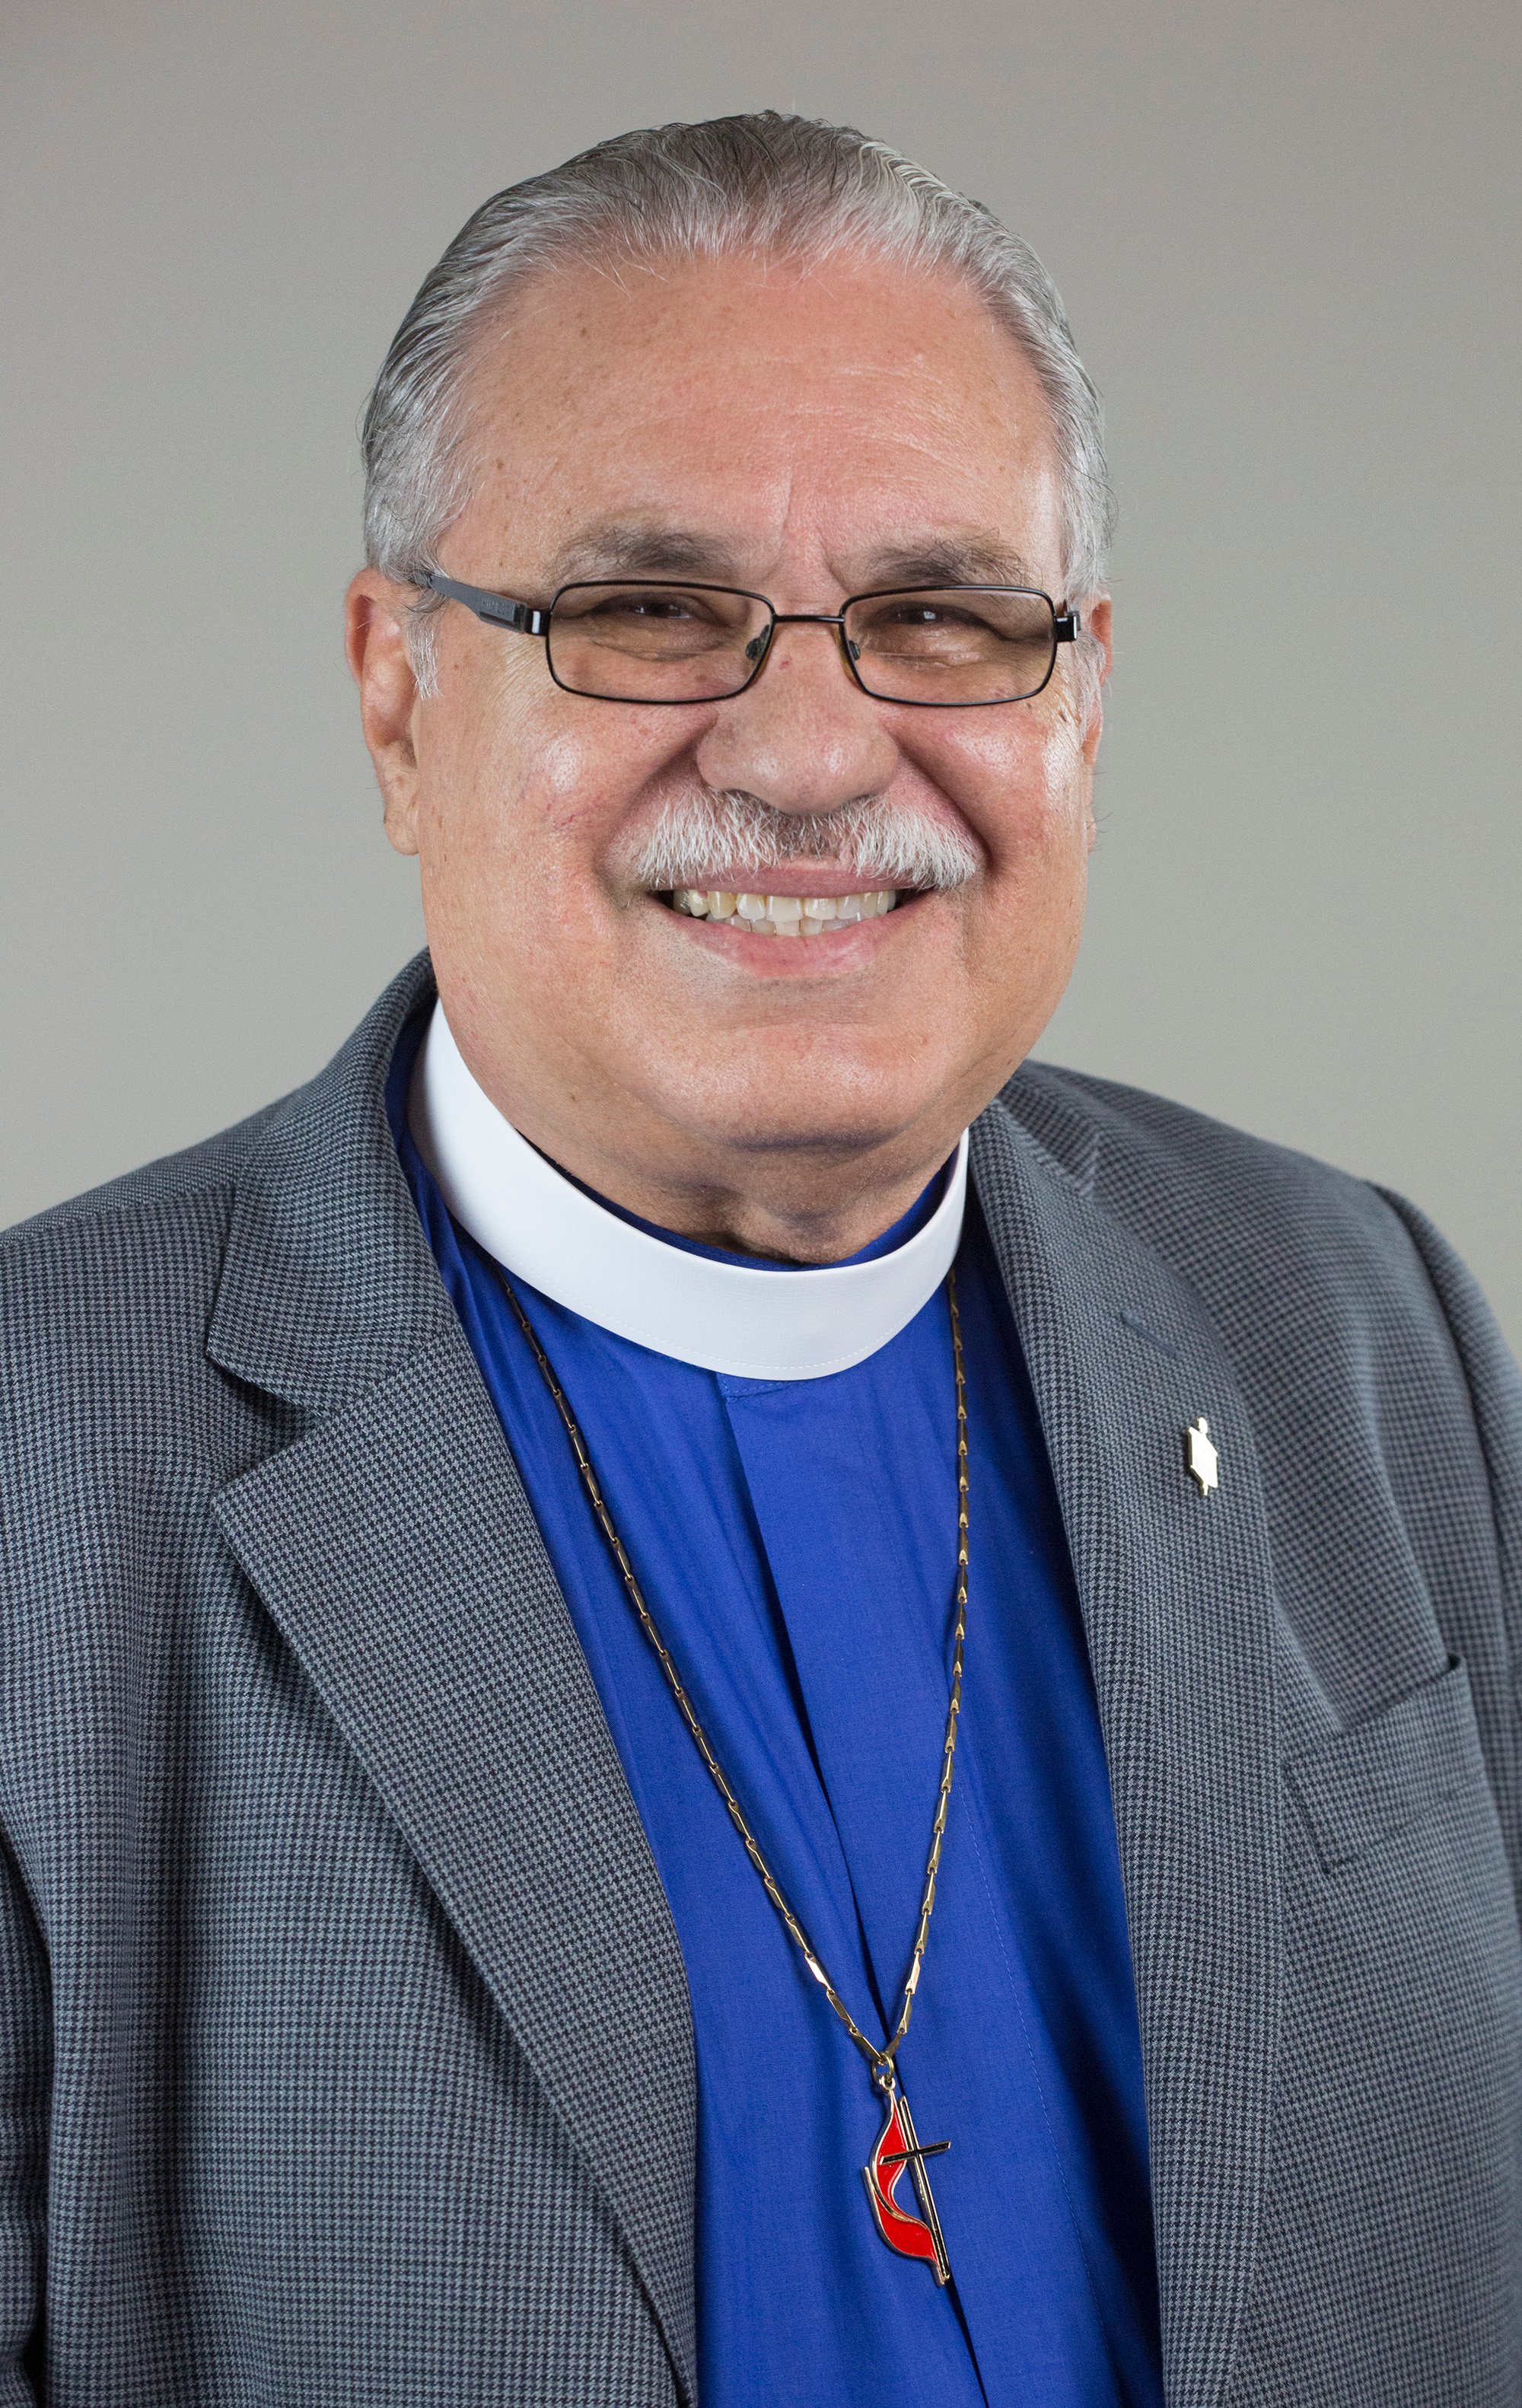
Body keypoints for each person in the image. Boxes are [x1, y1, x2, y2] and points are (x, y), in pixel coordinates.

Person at [1, 111, 1517, 2408]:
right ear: (399, 688)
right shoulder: (32, 1471)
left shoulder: (1351, 1313)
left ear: (1082, 689)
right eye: (643, 611)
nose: (813, 750)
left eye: (942, 615)